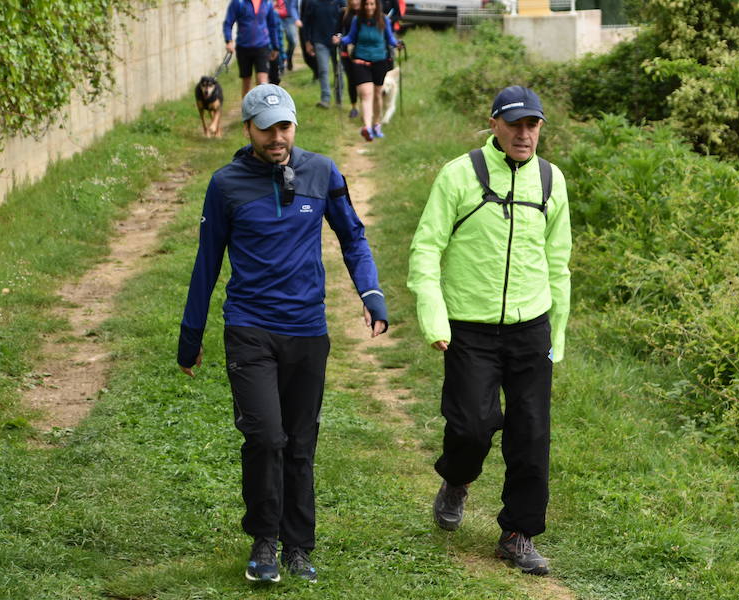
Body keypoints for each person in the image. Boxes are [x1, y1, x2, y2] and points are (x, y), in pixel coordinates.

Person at [177, 83, 389, 584]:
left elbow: (352, 235)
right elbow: (207, 262)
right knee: (265, 436)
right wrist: (191, 336)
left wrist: (371, 293)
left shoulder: (322, 171)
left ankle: (298, 546)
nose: (278, 136)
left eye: (285, 126)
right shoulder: (225, 184)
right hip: (250, 329)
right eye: (267, 127)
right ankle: (264, 540)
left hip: (307, 331)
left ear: (294, 125)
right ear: (247, 127)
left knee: (299, 442)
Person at [407, 86, 571, 576]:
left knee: (531, 433)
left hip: (530, 329)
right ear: (494, 124)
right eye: (516, 124)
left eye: (534, 125)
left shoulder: (550, 179)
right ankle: (456, 479)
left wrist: (556, 332)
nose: (525, 134)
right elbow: (426, 248)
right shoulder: (460, 175)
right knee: (472, 428)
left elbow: (558, 261)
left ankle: (519, 534)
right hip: (469, 328)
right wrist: (434, 317)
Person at [333, 0, 402, 141]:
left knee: (377, 94)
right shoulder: (357, 20)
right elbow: (351, 38)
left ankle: (376, 124)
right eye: (367, 4)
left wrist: (398, 44)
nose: (369, 7)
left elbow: (390, 39)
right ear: (363, 6)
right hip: (361, 60)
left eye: (372, 4)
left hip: (380, 61)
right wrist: (340, 40)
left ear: (376, 6)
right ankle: (367, 127)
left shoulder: (383, 20)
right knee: (366, 94)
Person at [224, 0, 282, 98]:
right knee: (246, 83)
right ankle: (246, 111)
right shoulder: (238, 2)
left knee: (262, 82)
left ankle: (262, 111)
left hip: (262, 46)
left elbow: (272, 25)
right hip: (243, 47)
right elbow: (228, 23)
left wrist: (275, 46)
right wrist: (228, 40)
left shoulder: (267, 3)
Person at [301, 0, 346, 108]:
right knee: (323, 70)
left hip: (337, 41)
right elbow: (306, 23)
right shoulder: (312, 3)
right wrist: (307, 42)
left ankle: (339, 98)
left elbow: (347, 20)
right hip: (320, 41)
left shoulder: (340, 2)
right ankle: (325, 99)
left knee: (339, 70)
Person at [338, 0, 361, 119]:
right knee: (351, 80)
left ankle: (365, 105)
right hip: (347, 52)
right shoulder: (344, 13)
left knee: (362, 81)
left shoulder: (367, 13)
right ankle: (354, 107)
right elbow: (338, 30)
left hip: (363, 52)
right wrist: (338, 38)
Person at [269, 0, 302, 84]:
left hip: (289, 17)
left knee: (293, 41)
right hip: (276, 16)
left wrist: (296, 18)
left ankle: (288, 57)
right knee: (277, 42)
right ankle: (281, 66)